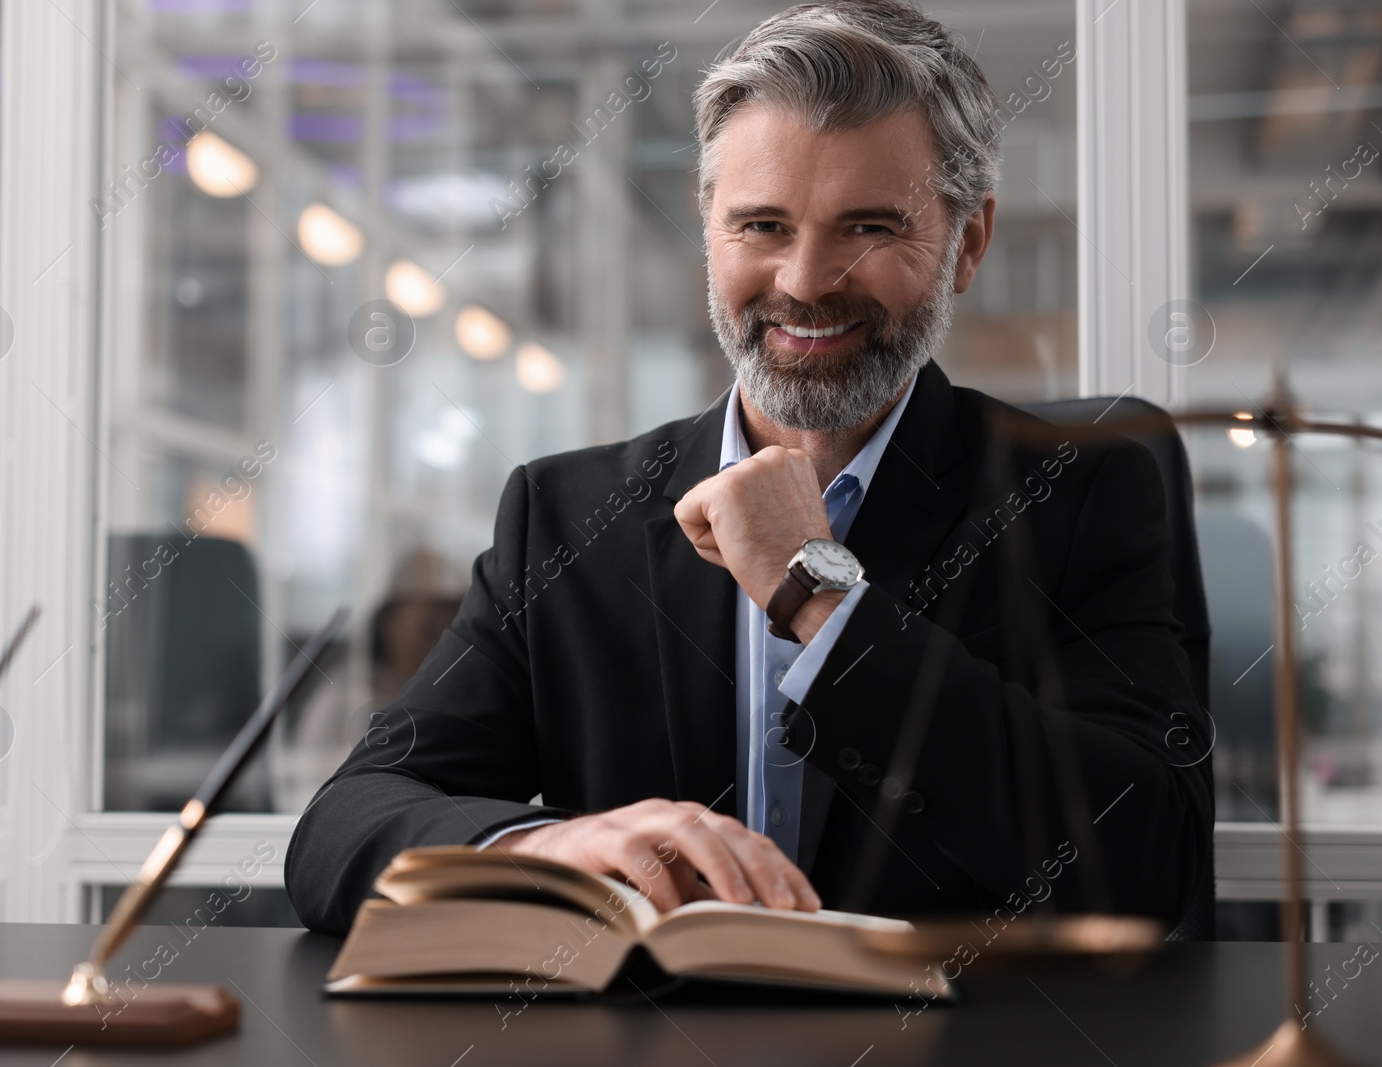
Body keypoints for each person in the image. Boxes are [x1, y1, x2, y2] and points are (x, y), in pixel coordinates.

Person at [286, 0, 1213, 933]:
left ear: (966, 243)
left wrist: (820, 597)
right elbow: (343, 825)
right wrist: (533, 850)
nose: (806, 281)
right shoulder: (565, 517)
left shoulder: (1081, 489)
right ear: (707, 228)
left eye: (868, 229)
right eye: (762, 225)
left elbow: (1146, 857)